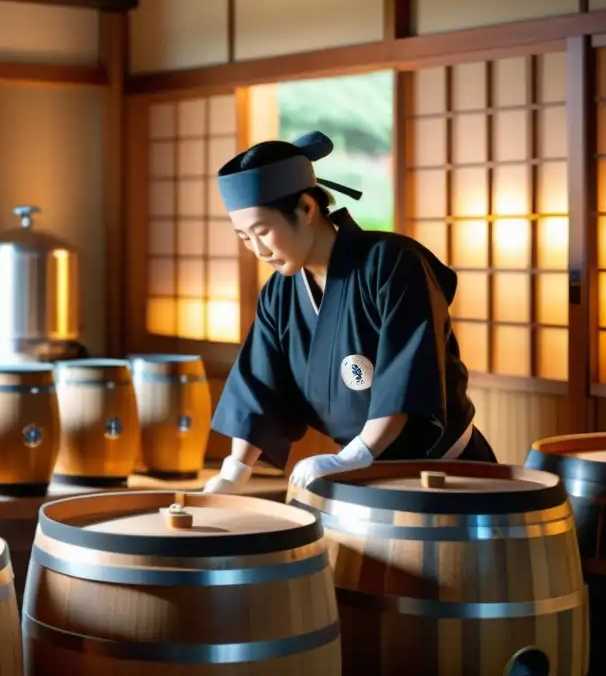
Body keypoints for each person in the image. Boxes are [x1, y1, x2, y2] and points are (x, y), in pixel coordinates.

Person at [203, 132, 497, 495]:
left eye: (263, 231)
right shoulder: (279, 293)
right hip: (361, 477)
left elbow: (405, 377)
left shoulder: (393, 264)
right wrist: (234, 472)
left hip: (447, 475)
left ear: (307, 209)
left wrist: (357, 453)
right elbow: (259, 384)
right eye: (245, 238)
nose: (258, 250)